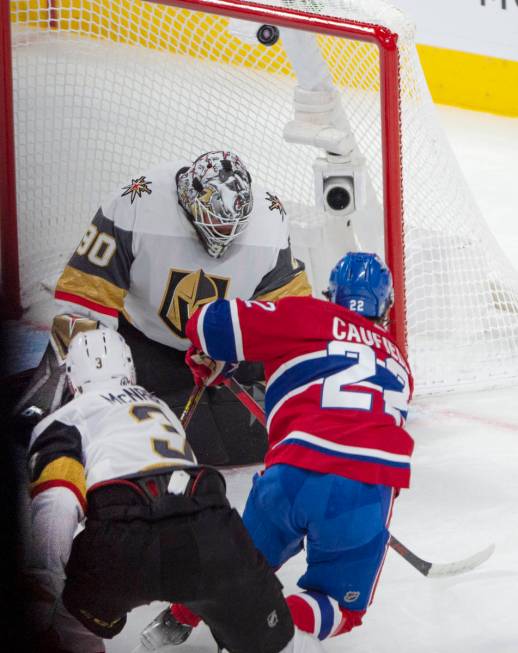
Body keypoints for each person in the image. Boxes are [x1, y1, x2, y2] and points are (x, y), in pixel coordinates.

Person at [156, 251, 414, 644]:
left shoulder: (306, 314)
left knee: (236, 565)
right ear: (387, 306)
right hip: (364, 490)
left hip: (290, 474)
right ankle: (278, 624)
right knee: (340, 608)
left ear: (333, 295)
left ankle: (174, 621)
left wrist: (217, 355)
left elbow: (209, 323)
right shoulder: (400, 364)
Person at [24, 327, 317, 653]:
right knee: (277, 643)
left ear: (71, 380)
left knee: (70, 627)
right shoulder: (160, 408)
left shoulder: (62, 419)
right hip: (212, 534)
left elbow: (59, 500)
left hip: (121, 543)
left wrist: (43, 583)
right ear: (129, 369)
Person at [16, 150, 312, 465]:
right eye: (217, 221)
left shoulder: (270, 219)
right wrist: (95, 382)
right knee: (116, 437)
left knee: (258, 434)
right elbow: (84, 302)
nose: (225, 233)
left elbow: (291, 317)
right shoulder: (136, 204)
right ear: (190, 198)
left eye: (233, 225)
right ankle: (54, 411)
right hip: (145, 340)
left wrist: (236, 345)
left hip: (225, 347)